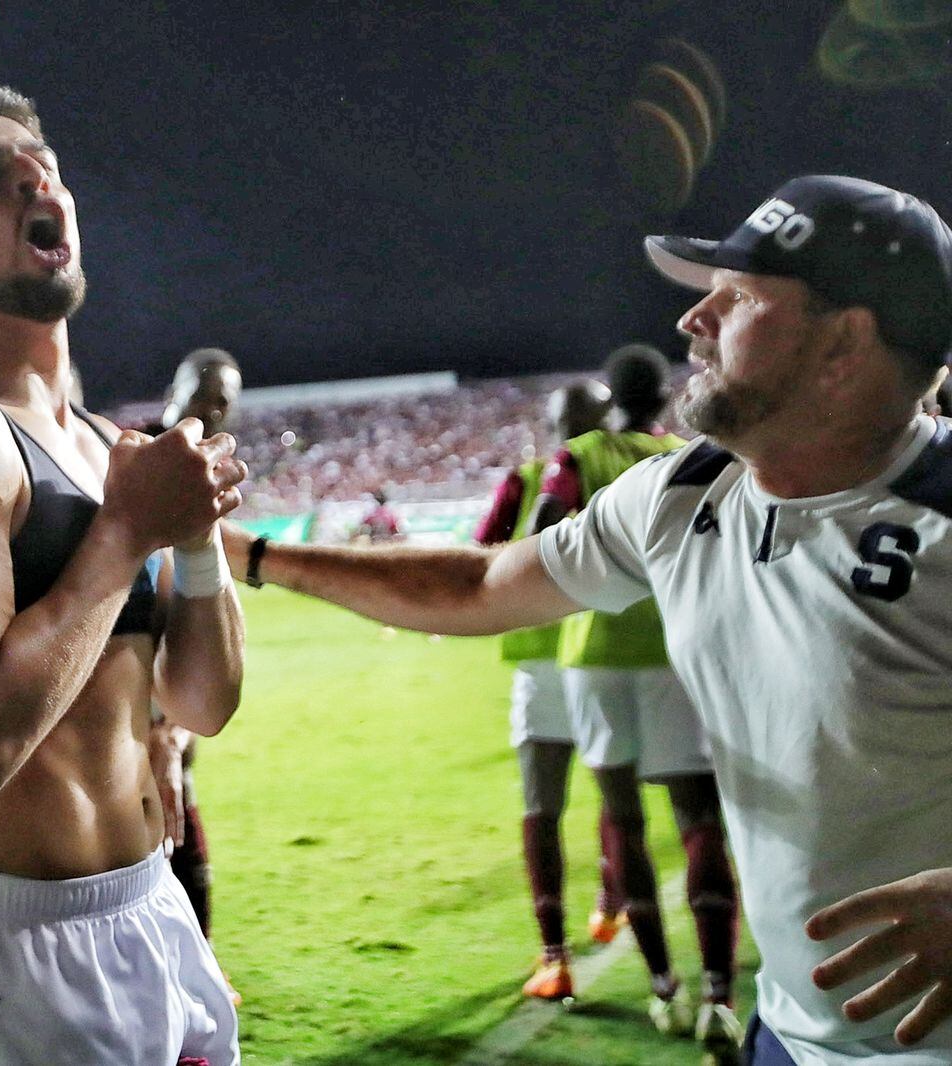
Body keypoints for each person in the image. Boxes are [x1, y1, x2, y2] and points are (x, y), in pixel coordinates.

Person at [225, 175, 952, 1065]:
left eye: (739, 297)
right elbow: (481, 585)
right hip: (793, 1033)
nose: (694, 319)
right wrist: (249, 554)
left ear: (844, 343)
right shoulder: (681, 493)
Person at [0, 76, 246, 1065]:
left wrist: (193, 537)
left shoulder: (103, 442)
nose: (35, 184)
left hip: (149, 903)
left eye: (43, 167)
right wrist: (129, 530)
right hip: (7, 944)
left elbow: (202, 703)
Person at [532, 345, 740, 1042]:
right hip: (674, 654)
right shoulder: (690, 457)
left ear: (611, 397)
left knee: (623, 819)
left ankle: (663, 989)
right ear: (665, 397)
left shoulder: (578, 456)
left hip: (594, 657)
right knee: (698, 817)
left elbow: (540, 535)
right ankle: (719, 997)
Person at [475, 379, 629, 1002]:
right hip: (613, 654)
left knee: (543, 804)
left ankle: (554, 955)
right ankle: (611, 904)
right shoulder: (633, 471)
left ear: (554, 422)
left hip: (544, 660)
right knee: (616, 793)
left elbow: (485, 548)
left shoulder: (529, 478)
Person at [147, 347, 244, 946]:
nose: (209, 410)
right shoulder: (130, 456)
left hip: (175, 676)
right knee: (152, 816)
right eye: (199, 395)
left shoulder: (211, 473)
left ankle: (197, 964)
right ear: (174, 393)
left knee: (176, 806)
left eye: (221, 402)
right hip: (126, 677)